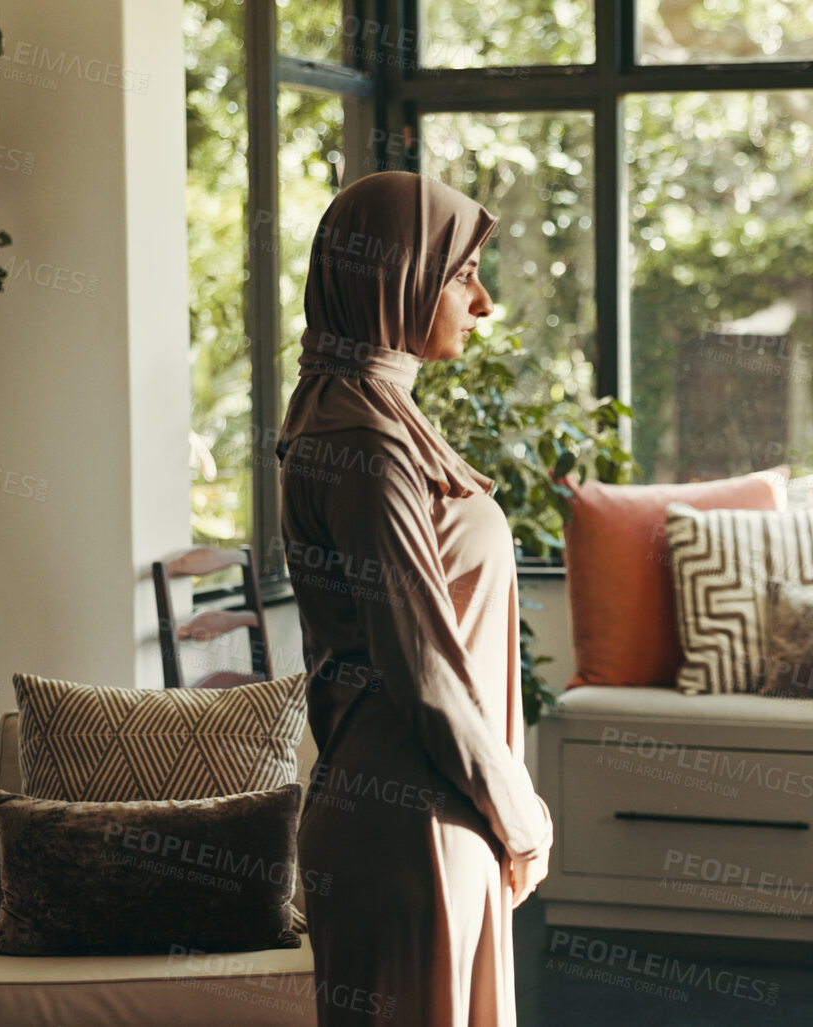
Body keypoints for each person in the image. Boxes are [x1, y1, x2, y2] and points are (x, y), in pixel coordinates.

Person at [274, 170, 553, 1027]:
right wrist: (522, 813)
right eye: (463, 274)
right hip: (415, 822)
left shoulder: (359, 407)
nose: (484, 302)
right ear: (393, 277)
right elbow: (423, 667)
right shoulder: (363, 433)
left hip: (418, 811)